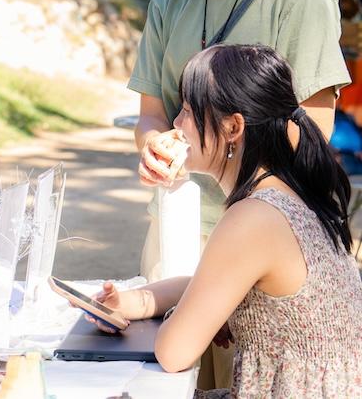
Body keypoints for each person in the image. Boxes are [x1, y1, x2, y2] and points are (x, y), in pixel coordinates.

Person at [128, 0, 350, 387]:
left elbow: (313, 132)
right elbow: (153, 115)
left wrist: (244, 223)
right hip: (178, 230)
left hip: (262, 248)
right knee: (165, 380)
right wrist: (155, 147)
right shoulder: (169, 1)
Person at [91, 44, 362, 398]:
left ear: (233, 126)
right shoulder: (284, 195)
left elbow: (174, 352)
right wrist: (135, 302)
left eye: (188, 110)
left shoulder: (254, 217)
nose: (175, 123)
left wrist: (193, 319)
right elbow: (210, 284)